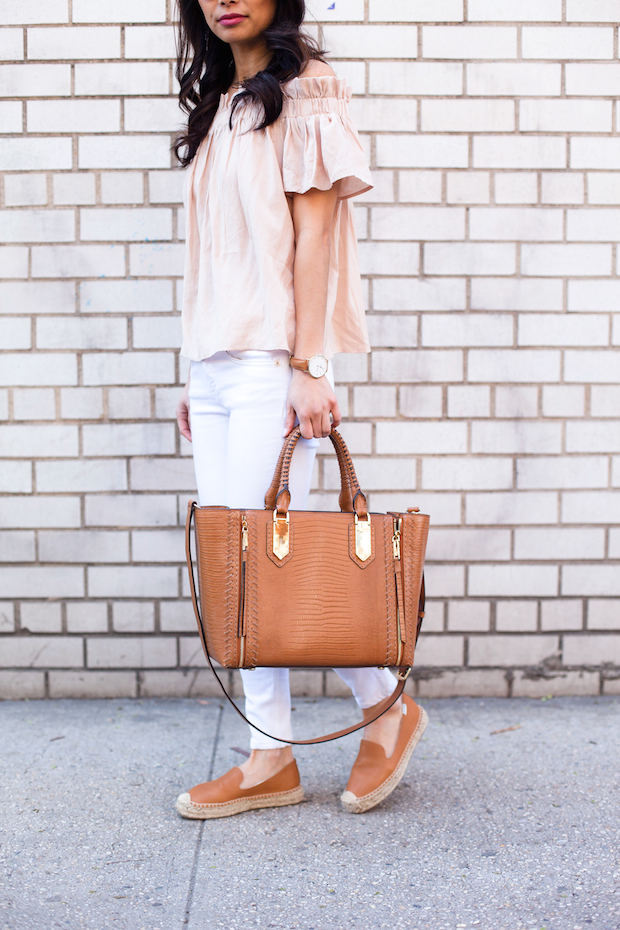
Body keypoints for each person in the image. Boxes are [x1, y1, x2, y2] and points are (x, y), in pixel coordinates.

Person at [173, 0, 427, 819]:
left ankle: (383, 709)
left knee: (261, 567)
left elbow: (316, 239)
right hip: (219, 366)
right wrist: (198, 368)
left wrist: (308, 366)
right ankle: (272, 758)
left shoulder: (305, 90)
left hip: (271, 365)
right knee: (237, 569)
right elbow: (223, 255)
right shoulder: (222, 106)